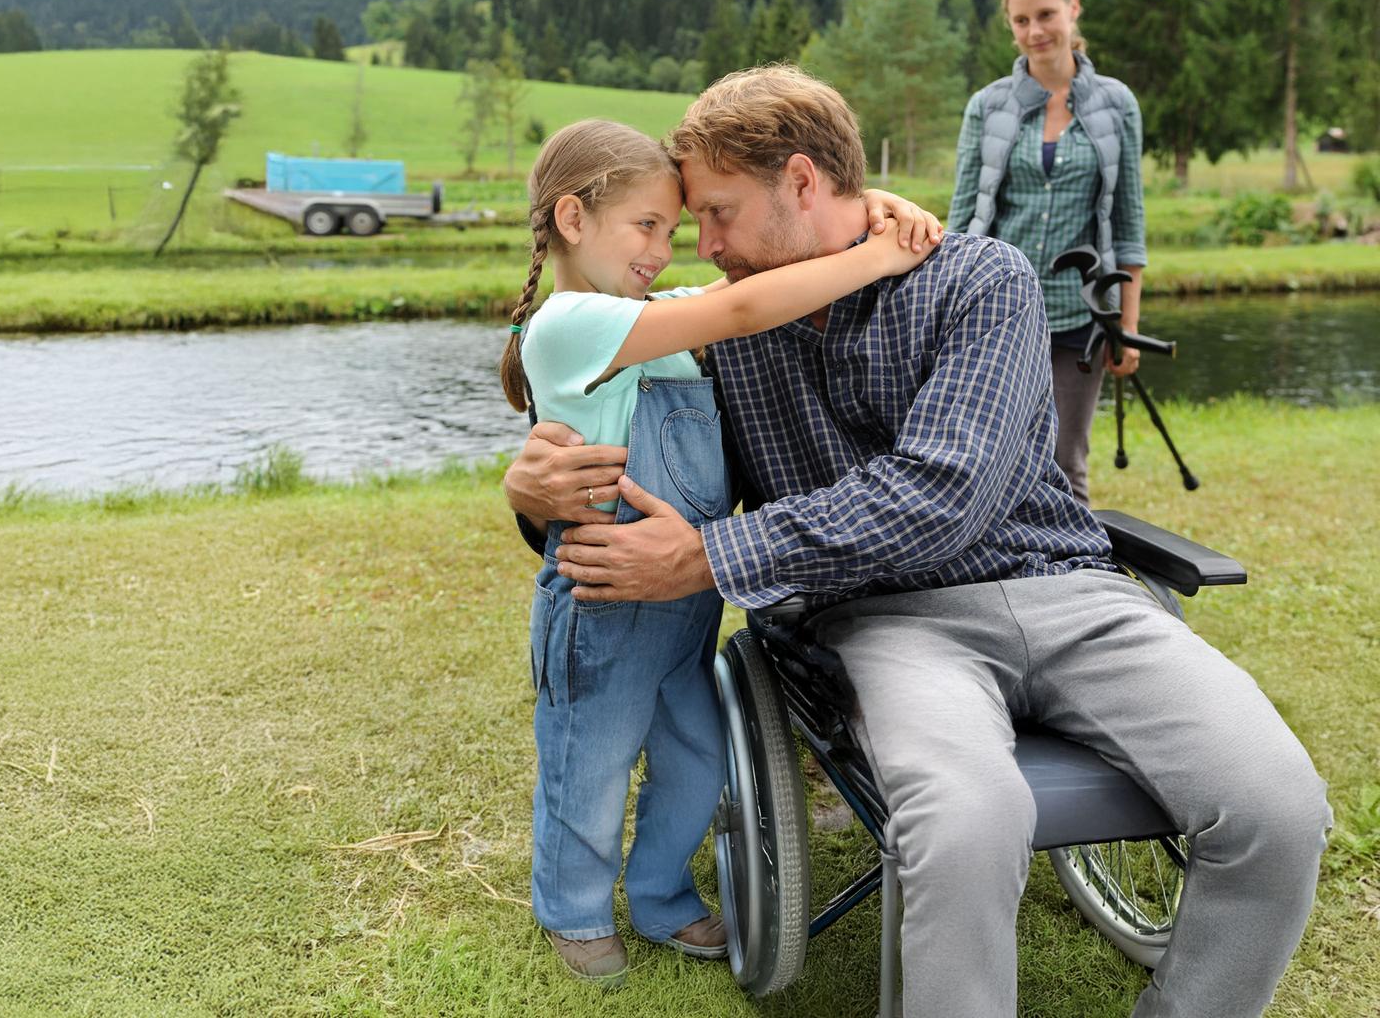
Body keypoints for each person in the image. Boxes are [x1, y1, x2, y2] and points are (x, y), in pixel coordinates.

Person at [505, 65, 1331, 1017]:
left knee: (1280, 808)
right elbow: (630, 429)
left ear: (804, 183)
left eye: (721, 213)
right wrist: (533, 494)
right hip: (888, 626)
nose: (708, 245)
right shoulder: (725, 324)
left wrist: (712, 559)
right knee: (968, 824)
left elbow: (946, 492)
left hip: (1070, 591)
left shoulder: (981, 278)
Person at [498, 118, 937, 985]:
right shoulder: (570, 325)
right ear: (574, 219)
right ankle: (574, 909)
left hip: (690, 604)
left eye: (674, 228)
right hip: (604, 604)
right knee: (588, 762)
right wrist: (879, 255)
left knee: (698, 756)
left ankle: (661, 895)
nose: (666, 250)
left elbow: (729, 295)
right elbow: (740, 307)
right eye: (648, 227)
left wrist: (867, 205)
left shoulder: (647, 314)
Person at [949, 0, 1147, 506]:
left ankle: (1077, 579)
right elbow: (964, 217)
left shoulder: (1116, 104)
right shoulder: (987, 107)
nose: (1034, 32)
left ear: (1073, 8)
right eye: (1020, 20)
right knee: (985, 458)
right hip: (994, 312)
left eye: (1045, 15)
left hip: (1080, 317)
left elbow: (1129, 223)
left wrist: (1125, 327)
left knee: (1064, 461)